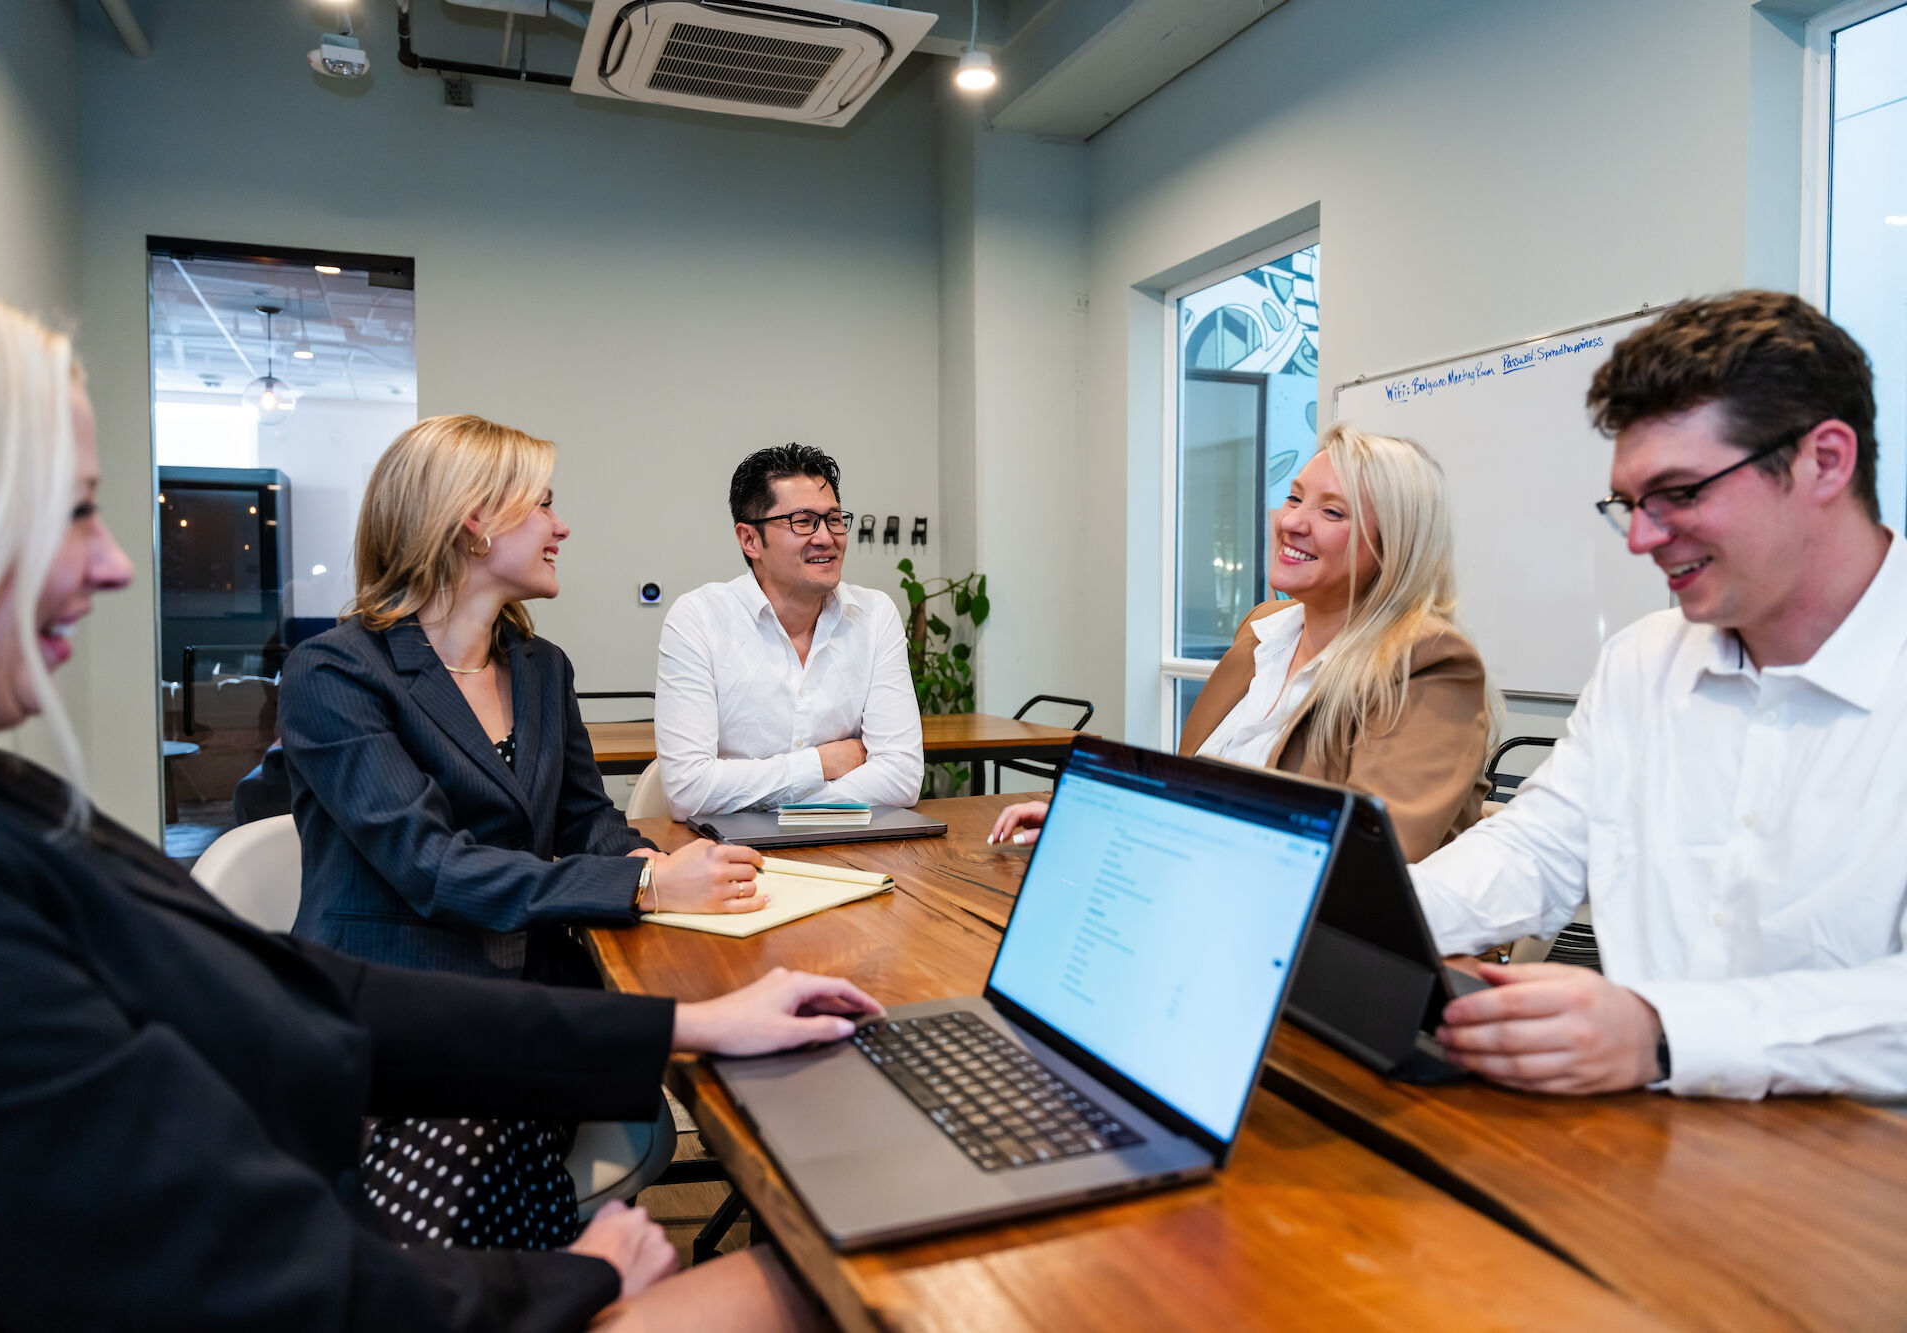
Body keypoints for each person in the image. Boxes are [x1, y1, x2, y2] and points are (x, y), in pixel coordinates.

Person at [0, 277, 877, 1330]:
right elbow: (420, 881)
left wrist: (685, 1011)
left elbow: (314, 992)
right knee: (827, 1278)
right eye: (76, 509)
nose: (115, 564)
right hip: (378, 1153)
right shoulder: (333, 673)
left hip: (462, 1049)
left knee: (820, 1264)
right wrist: (580, 1274)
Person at [279, 414, 773, 1248]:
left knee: (501, 1140)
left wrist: (661, 859)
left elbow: (584, 820)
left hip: (527, 1004)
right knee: (468, 1166)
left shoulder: (543, 668)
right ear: (473, 520)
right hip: (398, 1019)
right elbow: (429, 865)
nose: (562, 524)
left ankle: (530, 1290)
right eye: (543, 503)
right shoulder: (335, 673)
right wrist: (647, 886)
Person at [1415, 290, 1907, 1100]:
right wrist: (1365, 912)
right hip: (1647, 1151)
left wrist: (1660, 1031)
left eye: (1679, 492)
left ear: (1825, 459)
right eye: (1630, 504)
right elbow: (1535, 850)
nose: (1642, 538)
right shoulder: (1643, 662)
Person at [991, 425, 1494, 863]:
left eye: (1333, 512)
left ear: (1395, 546)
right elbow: (1195, 792)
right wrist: (1095, 821)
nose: (1292, 522)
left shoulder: (1427, 663)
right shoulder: (1265, 628)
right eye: (1295, 498)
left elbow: (1364, 863)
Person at [654, 443, 923, 819]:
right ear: (750, 540)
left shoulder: (875, 615)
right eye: (803, 521)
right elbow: (689, 790)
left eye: (833, 519)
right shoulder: (699, 619)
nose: (826, 537)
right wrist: (822, 763)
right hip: (729, 858)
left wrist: (782, 806)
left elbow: (902, 778)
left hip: (848, 847)